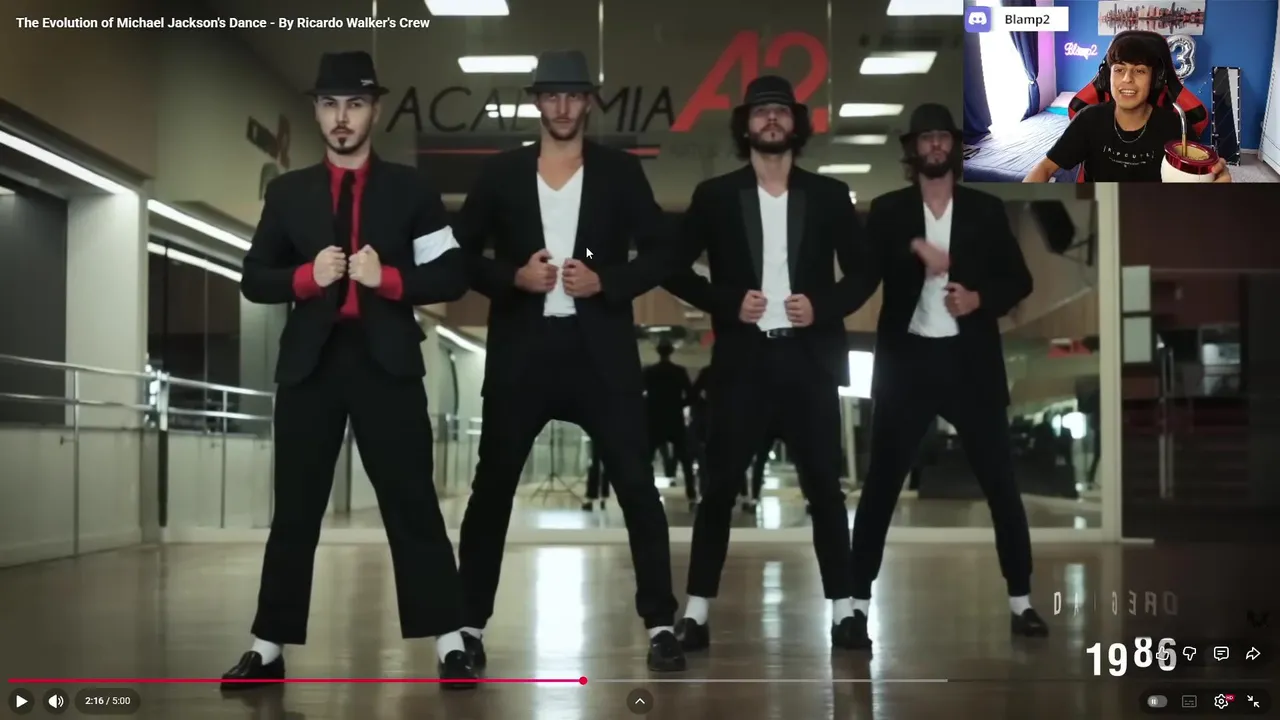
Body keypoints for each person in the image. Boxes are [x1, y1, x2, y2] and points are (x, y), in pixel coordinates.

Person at [224, 51, 476, 690]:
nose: (342, 117)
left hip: (386, 363)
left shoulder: (412, 190)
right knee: (296, 511)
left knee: (412, 503)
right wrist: (306, 278)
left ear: (375, 111)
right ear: (316, 112)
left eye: (355, 104)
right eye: (331, 104)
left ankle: (450, 642)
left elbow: (452, 274)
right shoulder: (287, 193)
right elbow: (254, 278)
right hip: (309, 367)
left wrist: (385, 277)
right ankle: (267, 648)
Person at [452, 50, 685, 673]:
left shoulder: (620, 172)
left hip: (599, 356)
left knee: (637, 488)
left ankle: (662, 624)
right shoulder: (500, 173)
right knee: (491, 491)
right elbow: (458, 253)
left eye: (573, 96)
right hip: (521, 355)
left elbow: (662, 250)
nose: (561, 106)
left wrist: (606, 279)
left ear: (588, 102)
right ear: (536, 101)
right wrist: (513, 277)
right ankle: (468, 628)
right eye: (551, 95)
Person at [662, 76, 878, 652]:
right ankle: (696, 613)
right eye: (762, 112)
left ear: (796, 123)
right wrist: (726, 300)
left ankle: (844, 612)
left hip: (810, 363)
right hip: (743, 364)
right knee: (718, 490)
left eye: (781, 111)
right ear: (746, 125)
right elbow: (672, 265)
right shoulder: (715, 196)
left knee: (825, 492)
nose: (772, 119)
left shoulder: (829, 195)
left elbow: (865, 272)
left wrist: (823, 306)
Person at [848, 103, 1049, 648]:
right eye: (926, 138)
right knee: (880, 489)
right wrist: (912, 248)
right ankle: (855, 609)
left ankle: (1022, 603)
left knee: (1001, 487)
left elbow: (1020, 280)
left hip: (970, 366)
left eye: (943, 137)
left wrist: (979, 298)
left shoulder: (986, 209)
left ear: (954, 147)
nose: (935, 145)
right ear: (912, 149)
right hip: (907, 366)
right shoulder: (889, 211)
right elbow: (863, 271)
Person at [1024, 30, 1229, 183]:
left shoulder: (1174, 127)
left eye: (1139, 71)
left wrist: (1217, 178)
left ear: (1155, 80)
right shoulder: (1088, 120)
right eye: (1119, 70)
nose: (1127, 79)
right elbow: (1044, 168)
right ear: (1108, 77)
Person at [644, 339, 697, 502]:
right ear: (671, 352)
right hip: (675, 419)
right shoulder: (679, 371)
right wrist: (679, 405)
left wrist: (649, 405)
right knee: (685, 460)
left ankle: (645, 492)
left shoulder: (649, 371)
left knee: (646, 460)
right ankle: (691, 493)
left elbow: (638, 392)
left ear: (658, 352)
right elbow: (691, 395)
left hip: (655, 420)